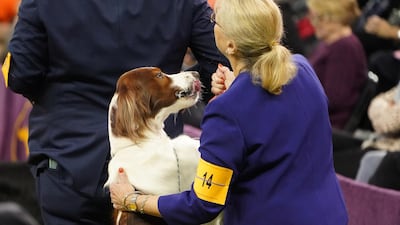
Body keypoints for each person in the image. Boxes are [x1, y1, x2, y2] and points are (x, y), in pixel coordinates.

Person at [110, 0, 348, 224]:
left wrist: (133, 200)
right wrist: (238, 84)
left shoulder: (226, 110)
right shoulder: (303, 67)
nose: (212, 23)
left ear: (231, 44)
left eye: (215, 20)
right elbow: (274, 112)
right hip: (331, 215)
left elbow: (202, 204)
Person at [2, 0, 227, 224]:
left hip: (69, 158)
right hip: (156, 167)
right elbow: (219, 64)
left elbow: (20, 75)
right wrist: (174, 86)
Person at [306, 0, 368, 130]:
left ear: (335, 19)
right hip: (312, 117)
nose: (313, 23)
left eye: (319, 18)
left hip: (324, 125)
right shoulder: (329, 43)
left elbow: (334, 99)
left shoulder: (344, 48)